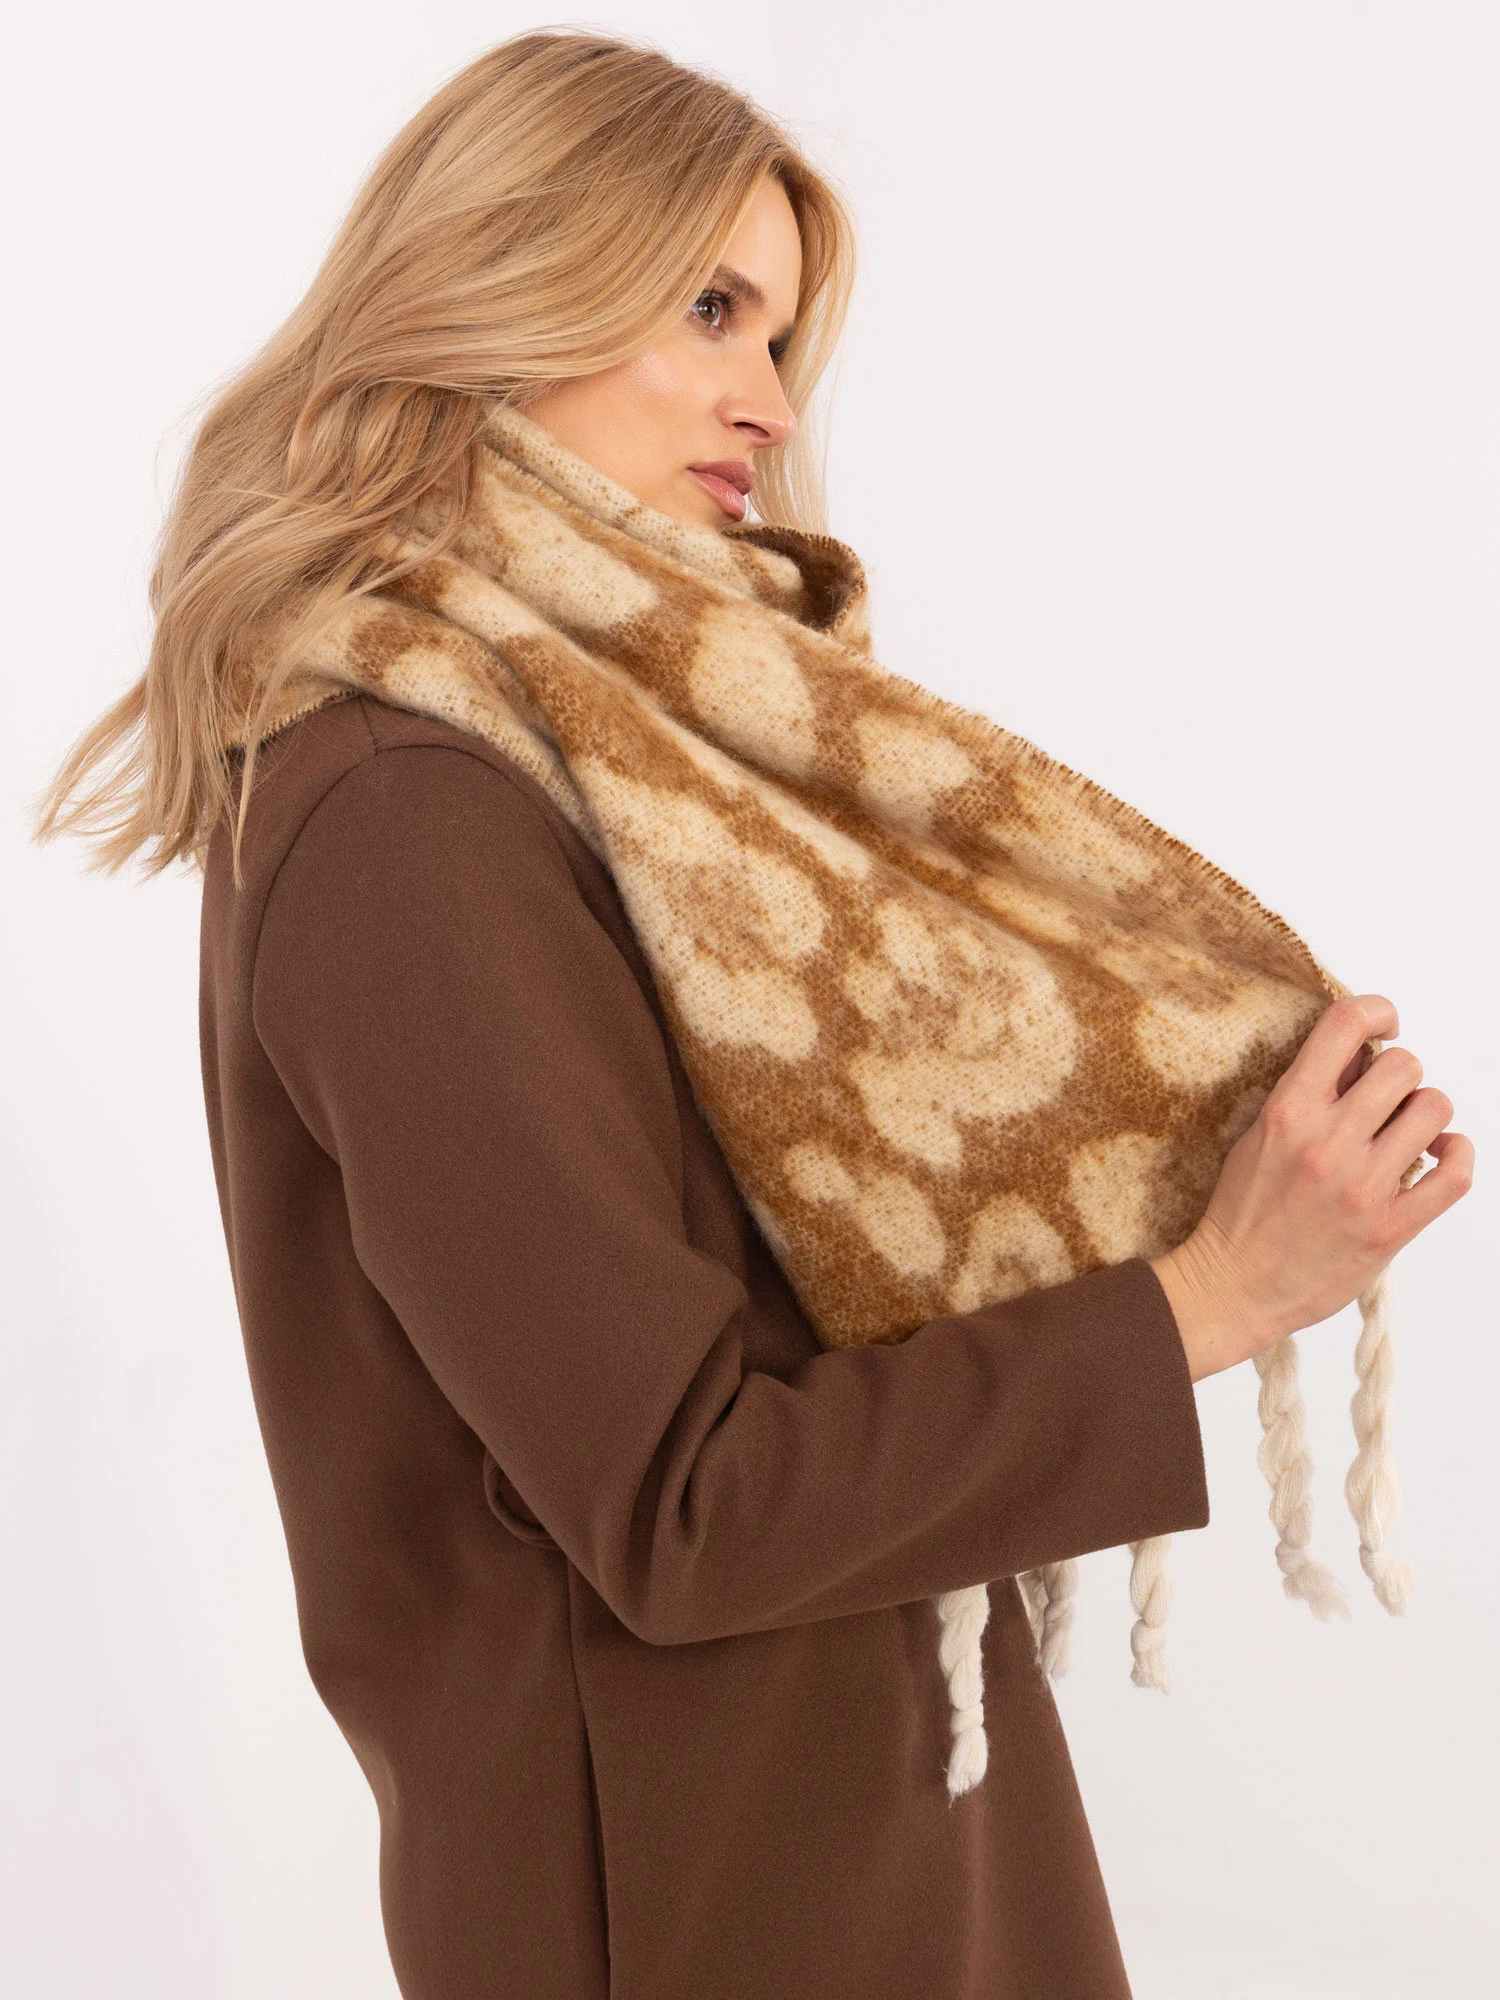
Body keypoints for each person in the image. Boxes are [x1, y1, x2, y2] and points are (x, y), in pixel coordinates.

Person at [32, 28, 1472, 2000]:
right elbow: (683, 1498)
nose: (768, 400)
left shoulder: (622, 764)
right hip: (694, 1899)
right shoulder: (405, 804)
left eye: (781, 335)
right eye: (709, 309)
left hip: (853, 1815)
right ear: (506, 281)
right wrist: (1207, 1296)